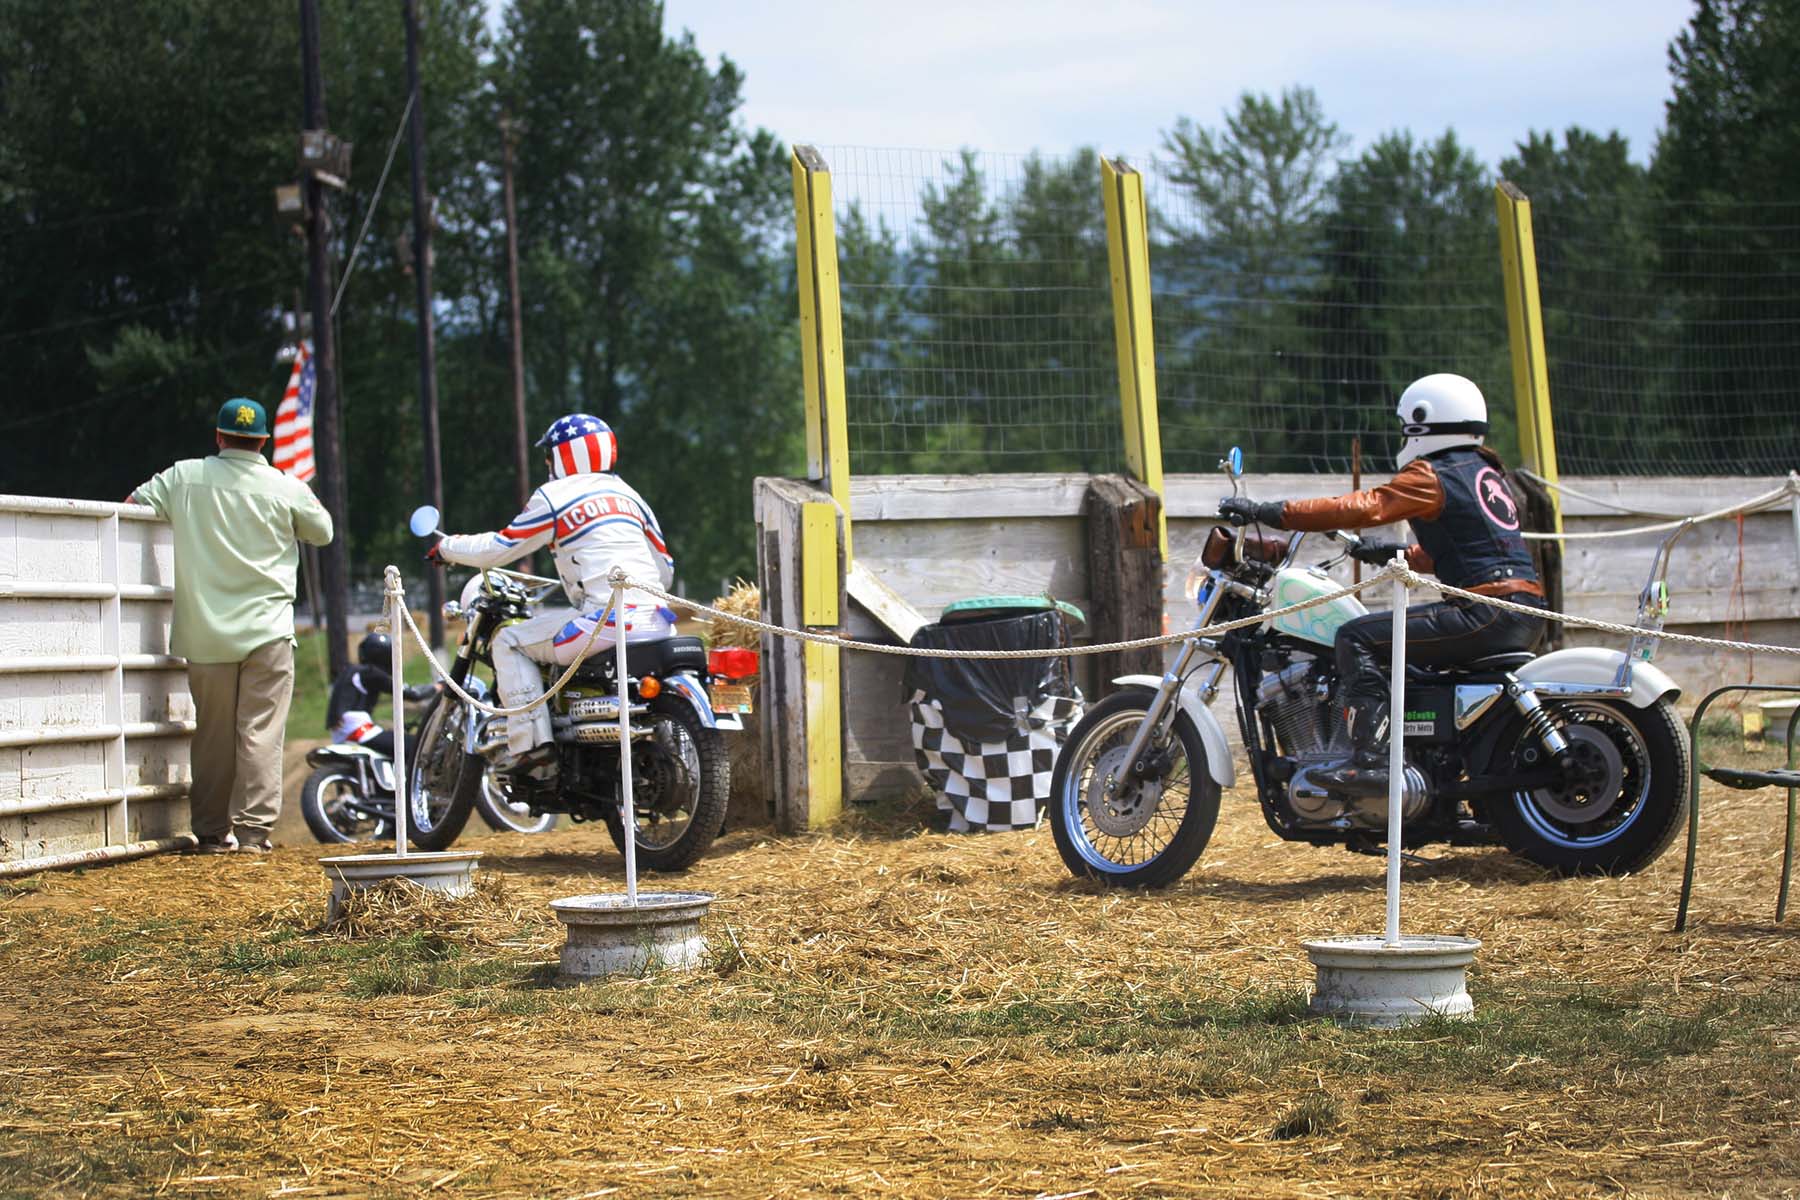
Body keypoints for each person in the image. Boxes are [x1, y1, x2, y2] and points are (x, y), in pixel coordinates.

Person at [1218, 373, 1547, 793]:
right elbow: (1464, 549)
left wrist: (1271, 511)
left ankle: (1371, 760)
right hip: (1519, 610)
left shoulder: (1434, 474)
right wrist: (1393, 553)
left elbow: (1364, 506)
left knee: (1355, 637)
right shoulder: (1484, 472)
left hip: (1484, 612)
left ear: (1423, 422)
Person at [129, 398, 334, 852]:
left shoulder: (183, 476)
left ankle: (210, 831)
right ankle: (254, 832)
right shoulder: (286, 486)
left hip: (206, 632)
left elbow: (131, 505)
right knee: (260, 733)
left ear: (219, 437)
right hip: (268, 630)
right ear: (264, 441)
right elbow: (323, 532)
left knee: (212, 736)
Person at [428, 414, 675, 779]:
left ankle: (531, 746)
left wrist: (448, 547)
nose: (546, 464)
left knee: (509, 640)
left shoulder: (554, 497)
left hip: (605, 622)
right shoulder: (630, 496)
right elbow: (665, 570)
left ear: (561, 456)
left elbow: (500, 548)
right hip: (658, 620)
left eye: (548, 456)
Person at [325, 632, 442, 758]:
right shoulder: (371, 673)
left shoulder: (350, 670)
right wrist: (437, 687)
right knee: (417, 745)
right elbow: (412, 693)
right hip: (359, 730)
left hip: (340, 733)